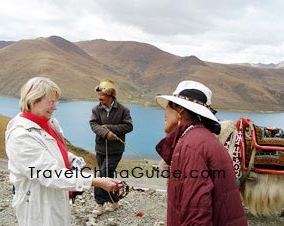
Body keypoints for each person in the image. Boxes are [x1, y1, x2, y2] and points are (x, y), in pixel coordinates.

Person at [5, 77, 122, 226]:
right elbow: (49, 173)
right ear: (33, 100)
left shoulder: (50, 123)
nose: (55, 107)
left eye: (56, 102)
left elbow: (52, 150)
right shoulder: (21, 136)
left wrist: (70, 158)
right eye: (50, 102)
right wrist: (95, 181)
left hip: (55, 196)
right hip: (37, 204)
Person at [155, 80, 248, 226]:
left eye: (167, 106)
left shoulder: (190, 146)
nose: (164, 112)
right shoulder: (199, 138)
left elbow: (196, 214)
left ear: (180, 109)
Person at [89, 79, 133, 215]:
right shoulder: (96, 109)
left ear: (110, 95)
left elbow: (129, 126)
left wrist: (110, 128)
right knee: (108, 174)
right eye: (98, 95)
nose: (99, 98)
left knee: (102, 174)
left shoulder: (123, 110)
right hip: (100, 149)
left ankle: (99, 204)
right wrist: (105, 133)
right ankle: (114, 201)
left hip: (116, 150)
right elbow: (93, 124)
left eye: (101, 95)